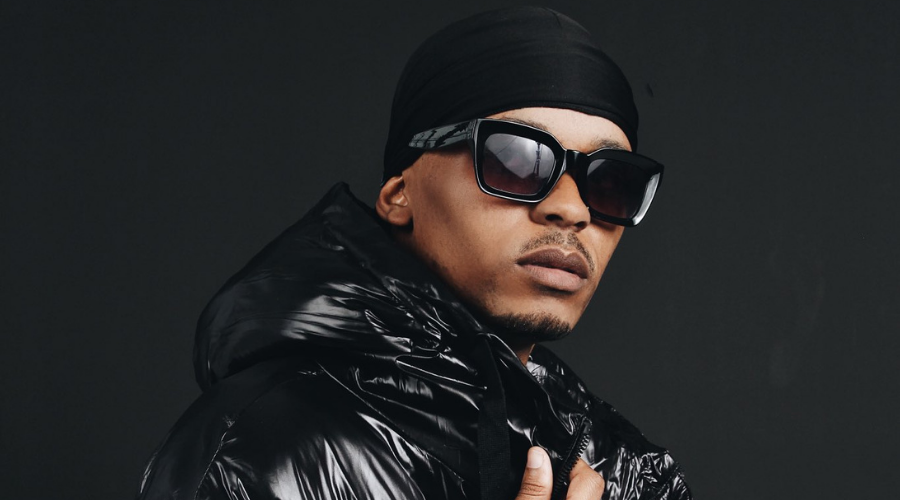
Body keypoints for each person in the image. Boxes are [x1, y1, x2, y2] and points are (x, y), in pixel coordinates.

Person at [137, 7, 692, 500]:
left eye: (610, 182)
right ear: (400, 194)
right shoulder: (257, 453)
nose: (572, 210)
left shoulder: (628, 475)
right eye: (517, 161)